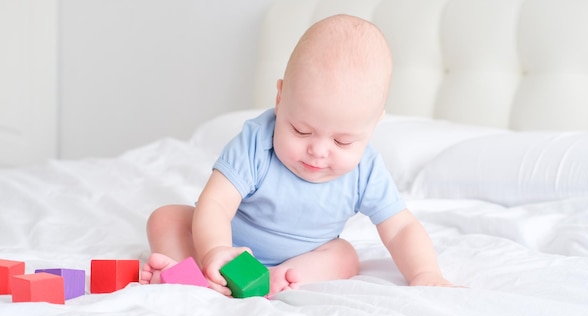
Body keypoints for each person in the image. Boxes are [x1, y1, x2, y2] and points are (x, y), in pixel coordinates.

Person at [140, 14, 453, 295]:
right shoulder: (256, 141)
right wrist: (216, 250)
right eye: (302, 131)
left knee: (344, 256)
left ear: (373, 125)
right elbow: (217, 203)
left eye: (342, 141)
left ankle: (280, 279)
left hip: (299, 258)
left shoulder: (366, 171)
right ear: (279, 98)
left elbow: (401, 228)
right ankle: (197, 278)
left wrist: (426, 273)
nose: (317, 150)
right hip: (227, 245)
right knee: (166, 219)